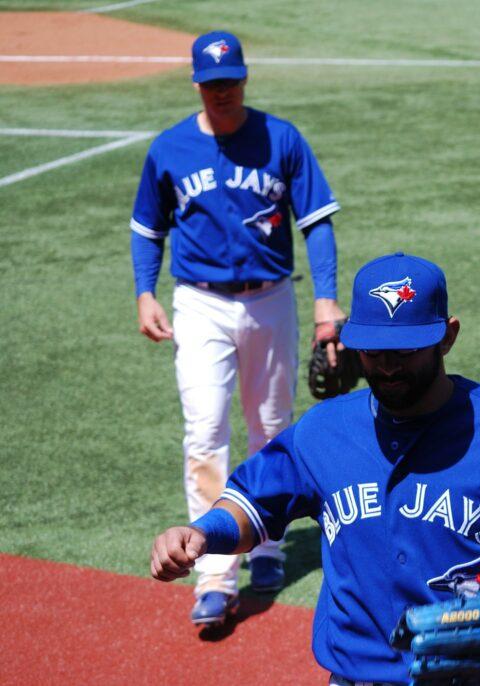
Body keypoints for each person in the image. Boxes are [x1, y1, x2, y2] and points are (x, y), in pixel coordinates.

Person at [150, 253, 480, 683]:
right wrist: (203, 533)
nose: (388, 367)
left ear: (448, 337)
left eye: (405, 350)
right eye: (373, 351)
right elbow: (252, 504)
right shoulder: (325, 431)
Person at [130, 30, 345, 626]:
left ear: (244, 79)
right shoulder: (170, 148)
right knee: (204, 431)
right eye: (212, 83)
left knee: (272, 426)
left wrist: (326, 303)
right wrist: (145, 292)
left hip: (271, 298)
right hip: (199, 304)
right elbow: (148, 228)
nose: (222, 91)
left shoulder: (282, 138)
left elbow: (319, 222)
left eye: (231, 81)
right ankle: (215, 574)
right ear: (197, 84)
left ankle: (269, 542)